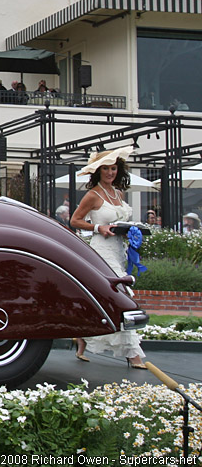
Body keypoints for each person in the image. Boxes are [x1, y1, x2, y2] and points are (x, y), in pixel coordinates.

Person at [69, 146, 146, 368]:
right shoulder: (92, 195)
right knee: (123, 294)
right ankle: (134, 355)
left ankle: (82, 336)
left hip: (118, 249)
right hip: (101, 250)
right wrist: (98, 227)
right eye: (106, 169)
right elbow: (75, 221)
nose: (110, 173)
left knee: (104, 296)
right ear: (99, 171)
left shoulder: (118, 194)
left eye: (113, 168)